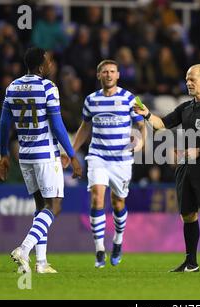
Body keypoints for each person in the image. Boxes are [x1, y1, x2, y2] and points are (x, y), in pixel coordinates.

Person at [133, 64, 200, 272]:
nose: (188, 83)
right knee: (187, 215)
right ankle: (191, 262)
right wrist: (147, 114)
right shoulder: (186, 108)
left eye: (192, 79)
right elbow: (163, 124)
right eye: (187, 79)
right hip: (185, 167)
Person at [0, 47, 82, 274]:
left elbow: (5, 123)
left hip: (24, 156)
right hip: (45, 154)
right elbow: (56, 125)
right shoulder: (48, 87)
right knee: (54, 206)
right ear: (41, 65)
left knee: (40, 207)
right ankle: (24, 249)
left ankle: (41, 262)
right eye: (49, 61)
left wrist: (4, 154)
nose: (51, 65)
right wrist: (72, 155)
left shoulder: (12, 87)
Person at [70, 60, 146, 268]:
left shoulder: (129, 99)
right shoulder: (91, 100)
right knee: (97, 196)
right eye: (105, 71)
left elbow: (141, 124)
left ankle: (118, 241)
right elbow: (85, 127)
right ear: (99, 76)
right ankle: (99, 250)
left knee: (118, 203)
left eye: (112, 71)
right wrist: (71, 151)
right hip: (98, 156)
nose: (109, 74)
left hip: (121, 159)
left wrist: (139, 143)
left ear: (118, 75)